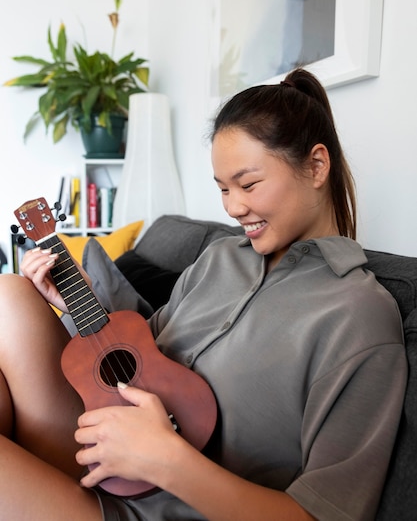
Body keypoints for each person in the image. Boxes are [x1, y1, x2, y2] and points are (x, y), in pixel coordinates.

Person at [0, 68, 407, 521]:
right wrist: (70, 302)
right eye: (223, 189)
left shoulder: (359, 316)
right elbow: (140, 354)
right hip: (100, 443)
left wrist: (167, 459)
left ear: (316, 166)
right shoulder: (220, 259)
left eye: (249, 185)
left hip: (152, 511)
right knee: (9, 296)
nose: (234, 208)